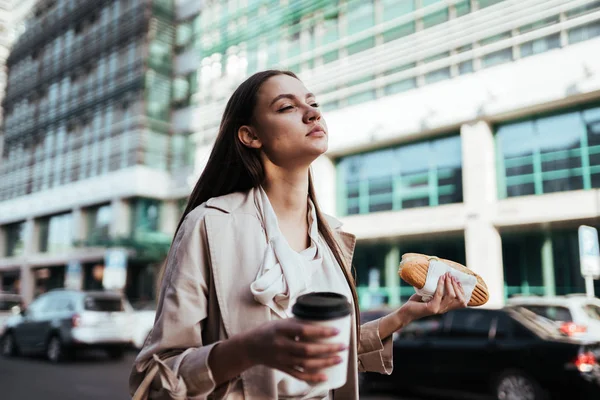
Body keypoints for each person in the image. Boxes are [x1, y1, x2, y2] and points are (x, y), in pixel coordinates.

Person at [129, 70, 468, 400]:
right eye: (286, 107)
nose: (311, 113)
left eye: (312, 103)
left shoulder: (331, 236)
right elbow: (154, 378)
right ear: (250, 135)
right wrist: (249, 348)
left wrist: (404, 315)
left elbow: (328, 350)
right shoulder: (209, 225)